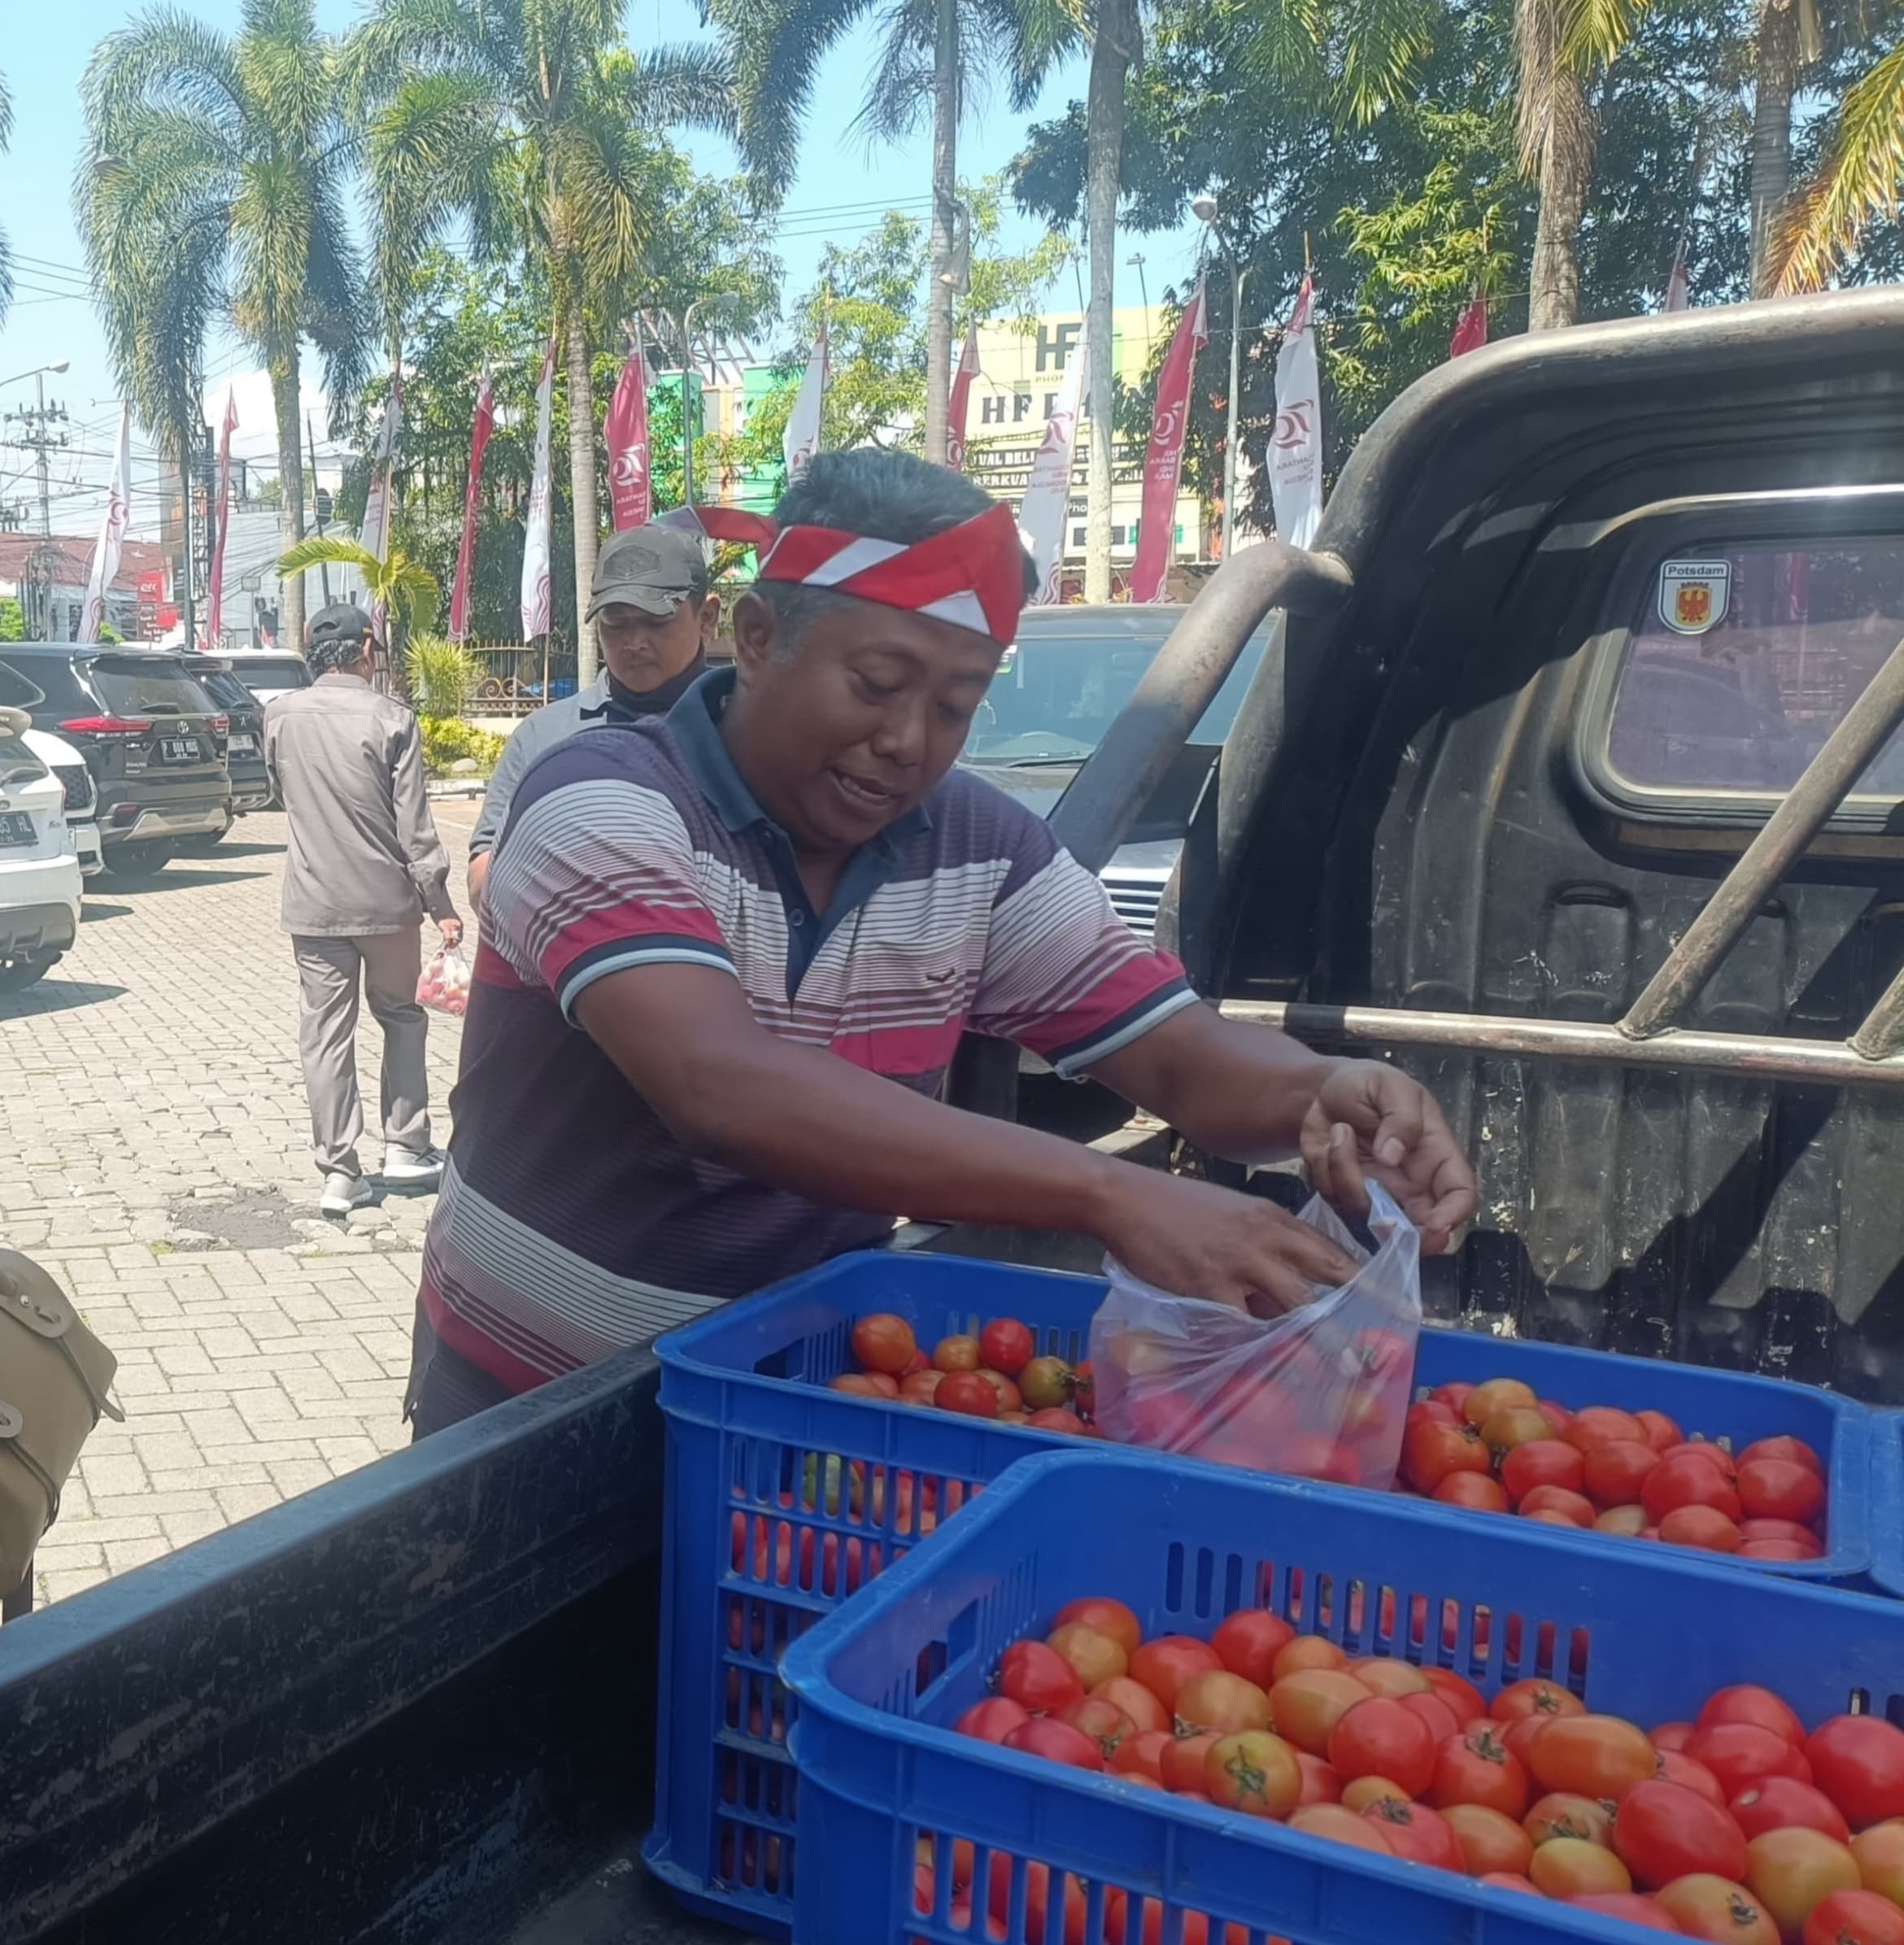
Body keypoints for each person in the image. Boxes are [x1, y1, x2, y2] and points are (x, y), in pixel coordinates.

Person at [408, 449, 1475, 1437]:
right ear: (757, 635)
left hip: (792, 1394)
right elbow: (717, 1083)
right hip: (527, 1411)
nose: (909, 740)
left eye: (956, 705)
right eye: (875, 685)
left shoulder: (980, 850)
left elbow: (1180, 1057)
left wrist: (1322, 1091)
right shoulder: (601, 798)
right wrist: (1113, 1192)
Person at [261, 603, 462, 1219]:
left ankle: (339, 1172)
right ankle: (405, 1145)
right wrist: (442, 905)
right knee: (401, 1015)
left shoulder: (277, 716)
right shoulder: (390, 717)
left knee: (324, 1036)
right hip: (387, 904)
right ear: (368, 648)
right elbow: (415, 827)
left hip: (314, 903)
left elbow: (278, 792)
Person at [466, 522, 718, 906]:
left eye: (656, 622)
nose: (633, 642)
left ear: (708, 617)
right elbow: (481, 882)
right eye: (615, 624)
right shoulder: (544, 738)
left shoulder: (747, 730)